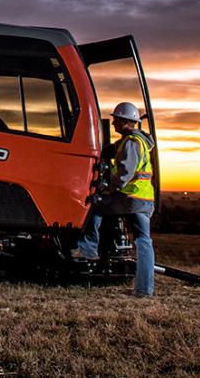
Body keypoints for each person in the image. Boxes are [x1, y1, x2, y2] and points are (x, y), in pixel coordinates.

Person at [72, 101, 157, 297]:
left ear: (125, 121)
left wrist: (108, 190)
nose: (113, 124)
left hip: (129, 197)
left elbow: (125, 173)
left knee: (97, 205)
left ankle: (89, 248)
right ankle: (145, 289)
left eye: (115, 120)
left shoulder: (130, 143)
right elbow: (110, 151)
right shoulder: (137, 141)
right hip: (144, 198)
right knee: (144, 241)